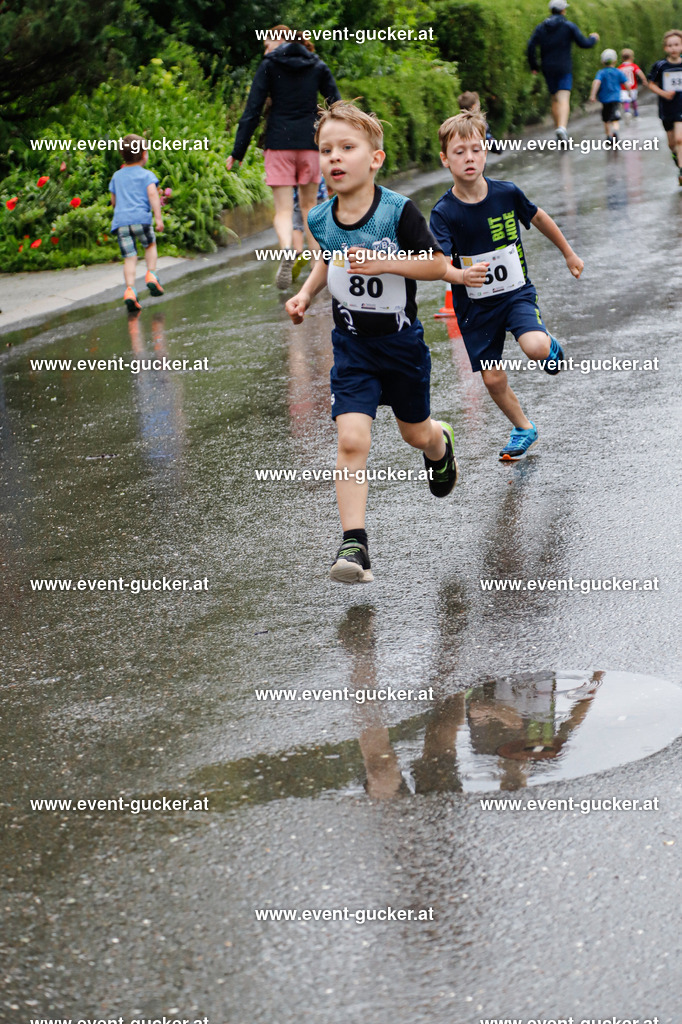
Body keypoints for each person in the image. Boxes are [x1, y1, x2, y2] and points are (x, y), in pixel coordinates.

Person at [285, 101, 457, 584]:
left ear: (375, 159)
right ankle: (354, 545)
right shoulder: (320, 218)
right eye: (325, 150)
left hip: (402, 347)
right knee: (352, 438)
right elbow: (328, 261)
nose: (334, 158)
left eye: (347, 148)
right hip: (353, 348)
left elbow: (437, 266)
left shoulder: (398, 213)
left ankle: (439, 445)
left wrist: (386, 263)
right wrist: (304, 293)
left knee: (414, 434)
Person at [429, 111, 584, 462]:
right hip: (474, 306)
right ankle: (523, 428)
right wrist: (458, 276)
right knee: (493, 379)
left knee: (535, 347)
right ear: (445, 159)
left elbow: (539, 217)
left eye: (475, 149)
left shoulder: (506, 193)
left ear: (486, 152)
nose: (469, 158)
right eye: (459, 152)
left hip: (515, 293)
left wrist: (569, 254)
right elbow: (438, 262)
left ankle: (550, 346)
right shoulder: (443, 213)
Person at [226, 25, 340, 289]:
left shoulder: (269, 65)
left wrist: (238, 151)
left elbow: (253, 109)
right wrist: (337, 145)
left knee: (284, 210)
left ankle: (288, 248)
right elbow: (337, 106)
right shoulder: (317, 65)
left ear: (279, 41)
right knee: (311, 206)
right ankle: (317, 269)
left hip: (278, 143)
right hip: (311, 142)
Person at [526, 0, 599, 141]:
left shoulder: (541, 27)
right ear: (563, 10)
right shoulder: (568, 26)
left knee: (554, 98)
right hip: (564, 67)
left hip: (547, 67)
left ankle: (557, 128)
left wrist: (534, 65)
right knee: (564, 97)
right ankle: (562, 128)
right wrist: (593, 39)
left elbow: (531, 46)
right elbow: (583, 43)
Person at [109, 134, 164, 312]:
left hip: (122, 223)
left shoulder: (117, 176)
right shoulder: (147, 176)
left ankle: (130, 290)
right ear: (144, 154)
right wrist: (158, 218)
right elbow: (153, 195)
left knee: (130, 257)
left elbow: (113, 201)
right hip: (142, 220)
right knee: (149, 245)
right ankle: (151, 274)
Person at [647, 29, 682, 186]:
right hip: (667, 109)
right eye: (670, 45)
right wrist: (663, 93)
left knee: (680, 139)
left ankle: (681, 170)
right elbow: (650, 83)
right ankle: (677, 157)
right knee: (672, 144)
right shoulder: (660, 66)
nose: (673, 48)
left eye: (676, 44)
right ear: (665, 48)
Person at [589, 49, 629, 145]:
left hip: (605, 99)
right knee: (615, 117)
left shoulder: (601, 73)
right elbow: (626, 83)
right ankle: (615, 130)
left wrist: (593, 94)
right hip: (616, 98)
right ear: (615, 61)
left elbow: (597, 82)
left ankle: (608, 136)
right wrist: (629, 92)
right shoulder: (618, 72)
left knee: (606, 119)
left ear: (602, 62)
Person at [618, 48, 648, 118]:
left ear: (622, 59)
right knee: (633, 100)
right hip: (633, 87)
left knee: (626, 100)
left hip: (623, 88)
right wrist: (644, 80)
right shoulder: (634, 66)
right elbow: (640, 73)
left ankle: (627, 111)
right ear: (632, 58)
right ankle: (636, 113)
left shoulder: (620, 68)